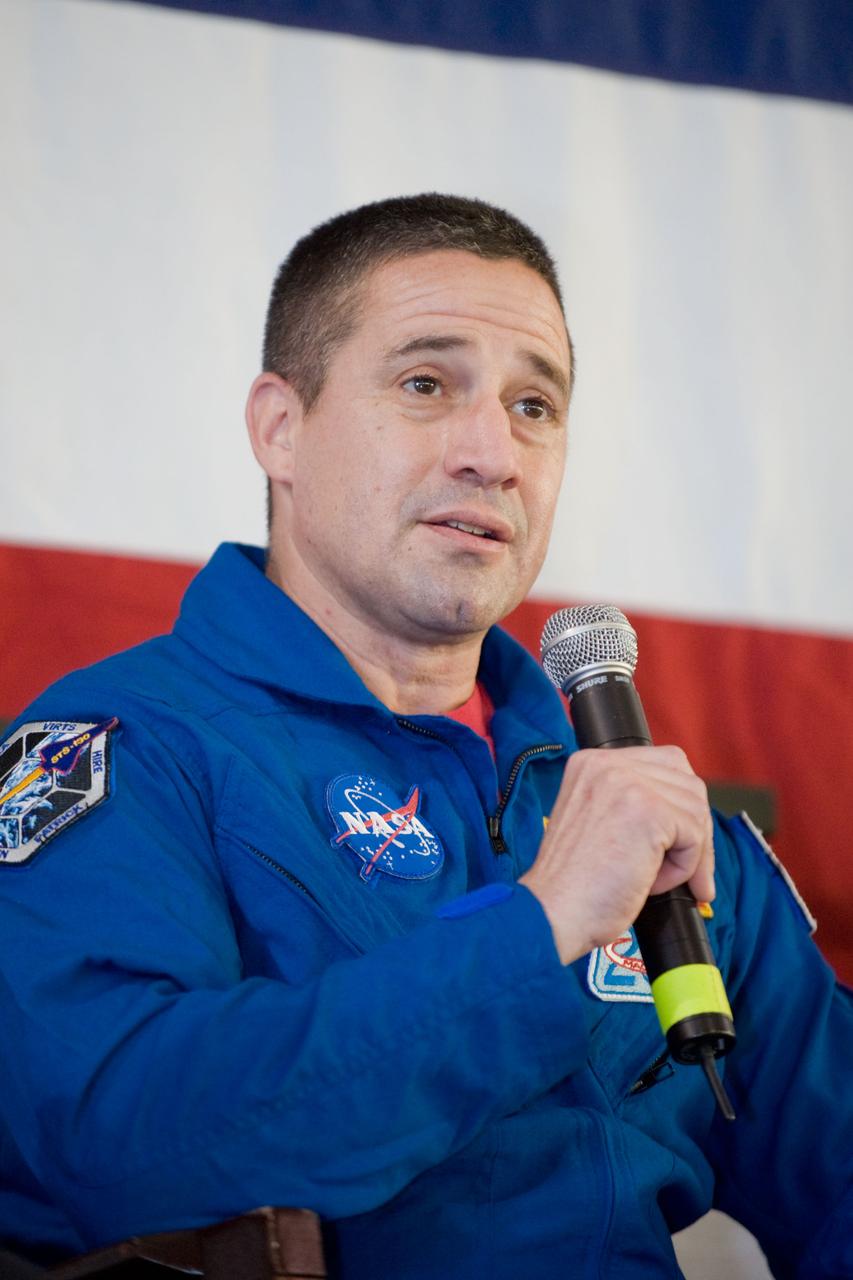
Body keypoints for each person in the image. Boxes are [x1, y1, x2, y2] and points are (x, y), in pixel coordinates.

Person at [0, 194, 850, 1279]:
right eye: (424, 383)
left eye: (534, 404)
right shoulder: (125, 749)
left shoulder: (657, 825)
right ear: (281, 427)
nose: (493, 451)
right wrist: (534, 928)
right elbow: (115, 1140)